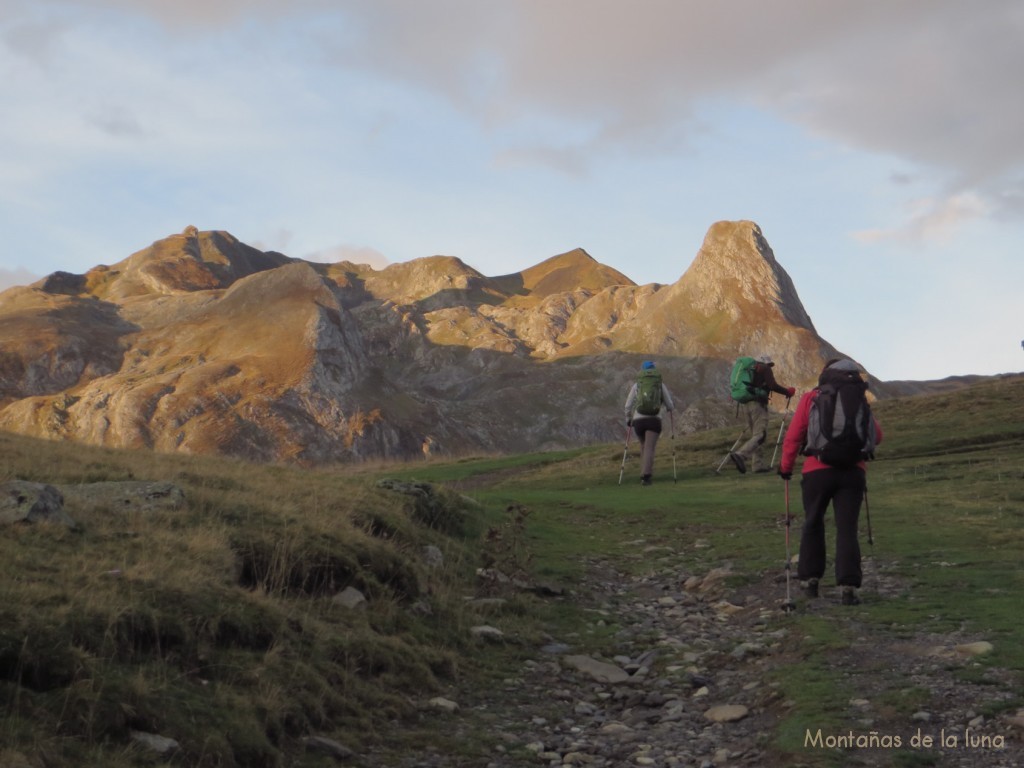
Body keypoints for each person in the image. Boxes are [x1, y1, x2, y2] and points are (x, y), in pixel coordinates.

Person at [778, 358, 884, 606]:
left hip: (817, 470)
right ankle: (848, 587)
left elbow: (793, 437)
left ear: (826, 373)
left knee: (813, 522)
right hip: (853, 472)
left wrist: (785, 467)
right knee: (847, 528)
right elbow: (876, 436)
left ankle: (810, 581)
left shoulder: (812, 398)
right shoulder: (859, 399)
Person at [728, 355, 795, 474]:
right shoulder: (765, 368)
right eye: (770, 364)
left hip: (747, 405)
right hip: (758, 404)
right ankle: (740, 455)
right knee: (761, 434)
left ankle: (758, 465)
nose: (770, 367)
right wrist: (787, 392)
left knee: (756, 434)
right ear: (766, 363)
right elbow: (772, 385)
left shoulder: (750, 371)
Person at [623, 361, 675, 486]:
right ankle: (646, 476)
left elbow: (628, 405)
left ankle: (643, 473)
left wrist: (628, 419)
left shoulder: (637, 385)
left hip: (638, 421)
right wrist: (669, 409)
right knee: (649, 448)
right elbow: (670, 404)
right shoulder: (659, 384)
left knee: (643, 446)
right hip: (654, 420)